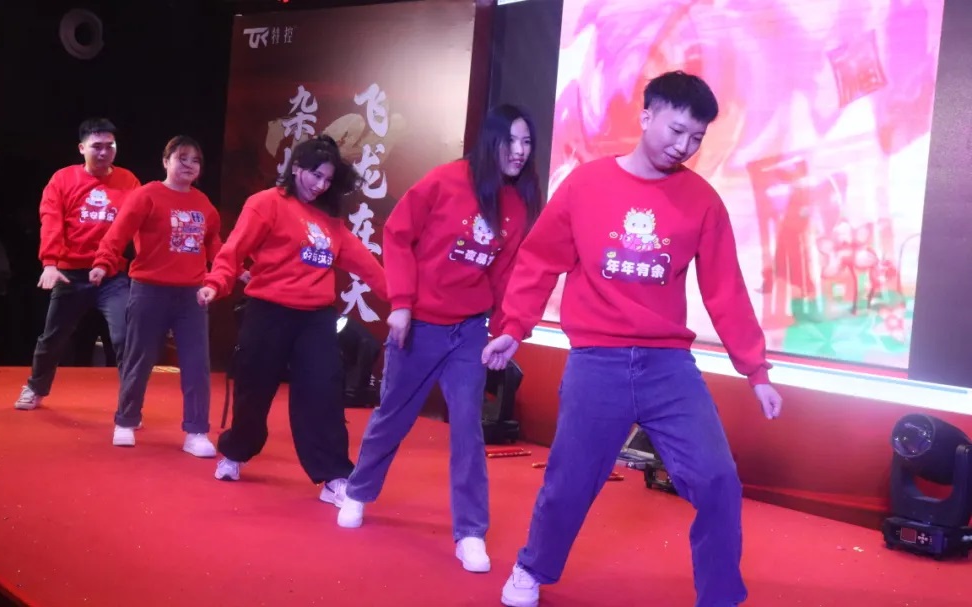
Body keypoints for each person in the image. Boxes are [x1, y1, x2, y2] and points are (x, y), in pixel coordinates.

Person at [482, 72, 783, 607]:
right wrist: (513, 327)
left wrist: (755, 370)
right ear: (646, 117)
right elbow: (538, 262)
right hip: (596, 361)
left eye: (696, 137)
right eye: (676, 130)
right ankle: (532, 567)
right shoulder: (585, 185)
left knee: (717, 480)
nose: (684, 146)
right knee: (569, 482)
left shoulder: (702, 201)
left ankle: (720, 597)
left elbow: (726, 291)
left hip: (669, 366)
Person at [336, 104, 545, 574]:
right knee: (393, 415)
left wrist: (506, 328)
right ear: (490, 141)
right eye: (511, 140)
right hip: (420, 325)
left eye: (527, 142)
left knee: (468, 426)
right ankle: (358, 491)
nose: (519, 151)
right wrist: (402, 302)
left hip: (468, 330)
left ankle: (471, 532)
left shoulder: (517, 204)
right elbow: (397, 235)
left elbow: (507, 274)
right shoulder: (445, 180)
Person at [198, 134, 387, 504]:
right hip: (268, 311)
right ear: (296, 167)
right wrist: (215, 283)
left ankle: (334, 475)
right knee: (254, 390)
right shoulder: (266, 204)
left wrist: (406, 302)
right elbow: (234, 250)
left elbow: (368, 267)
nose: (321, 185)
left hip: (315, 318)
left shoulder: (331, 223)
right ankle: (236, 451)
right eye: (316, 175)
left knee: (323, 391)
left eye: (328, 180)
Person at [91, 136, 221, 456]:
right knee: (139, 358)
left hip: (191, 295)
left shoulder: (204, 204)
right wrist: (103, 263)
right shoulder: (147, 195)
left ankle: (196, 431)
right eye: (182, 158)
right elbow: (118, 233)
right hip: (149, 290)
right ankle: (126, 420)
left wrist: (230, 271)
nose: (189, 165)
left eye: (195, 160)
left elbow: (215, 246)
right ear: (165, 161)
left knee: (196, 364)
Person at [14, 118, 140, 410]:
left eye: (110, 146)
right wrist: (50, 263)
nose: (104, 152)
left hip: (112, 276)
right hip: (70, 274)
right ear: (82, 148)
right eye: (97, 146)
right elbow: (51, 221)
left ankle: (131, 402)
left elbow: (138, 225)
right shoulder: (63, 179)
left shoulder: (129, 181)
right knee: (53, 338)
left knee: (125, 336)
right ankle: (36, 387)